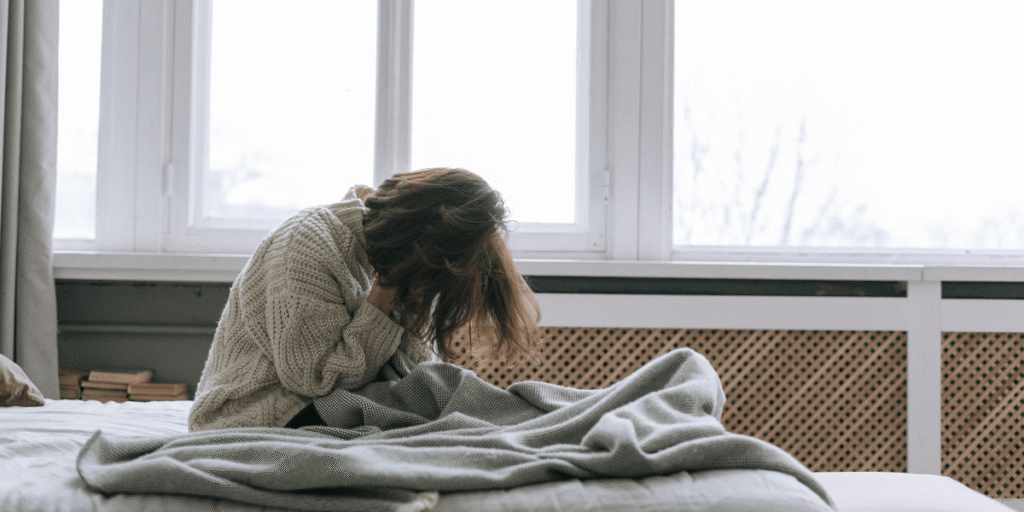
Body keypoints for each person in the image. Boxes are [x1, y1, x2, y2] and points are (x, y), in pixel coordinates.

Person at [188, 168, 541, 431]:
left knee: (438, 390)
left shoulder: (390, 259)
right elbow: (315, 380)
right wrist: (382, 296)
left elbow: (412, 372)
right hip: (253, 413)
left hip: (319, 406)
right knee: (440, 393)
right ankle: (541, 421)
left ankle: (542, 418)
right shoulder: (307, 244)